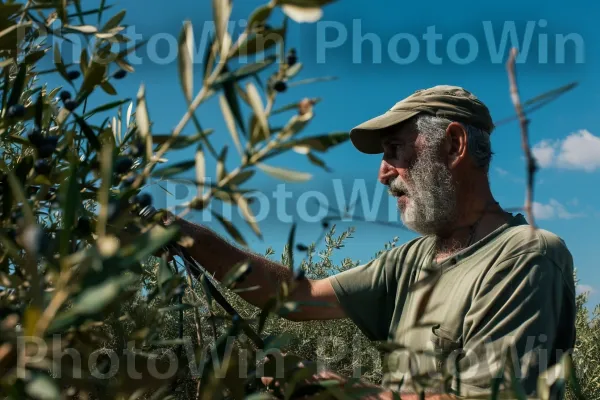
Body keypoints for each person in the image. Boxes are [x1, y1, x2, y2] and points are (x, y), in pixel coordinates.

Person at [158, 85, 576, 399]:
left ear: (453, 145)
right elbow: (298, 297)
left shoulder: (526, 257)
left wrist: (343, 391)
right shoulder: (412, 259)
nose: (383, 172)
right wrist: (188, 236)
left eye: (395, 150)